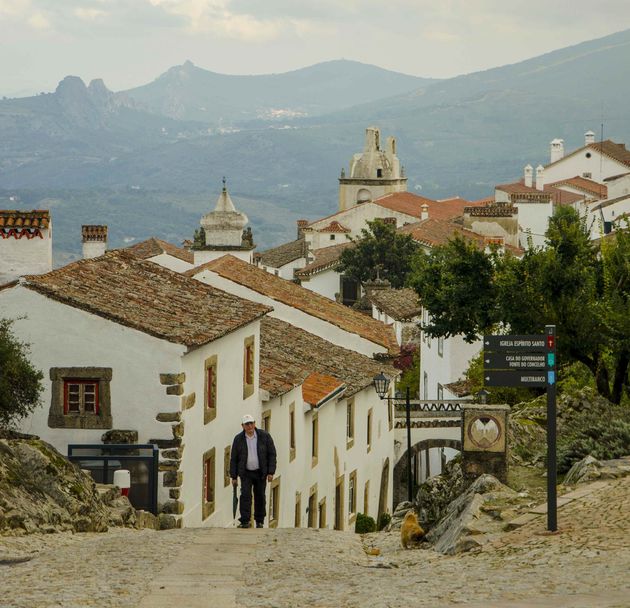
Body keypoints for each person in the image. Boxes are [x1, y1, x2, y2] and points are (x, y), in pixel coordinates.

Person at [230, 414, 277, 528]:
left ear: (255, 423)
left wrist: (271, 472)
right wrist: (234, 476)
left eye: (251, 423)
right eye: (247, 424)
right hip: (246, 473)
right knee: (245, 496)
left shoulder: (264, 436)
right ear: (243, 426)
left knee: (260, 496)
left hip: (261, 472)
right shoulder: (238, 439)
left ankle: (259, 521)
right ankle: (245, 521)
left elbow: (272, 454)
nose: (250, 426)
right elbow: (234, 458)